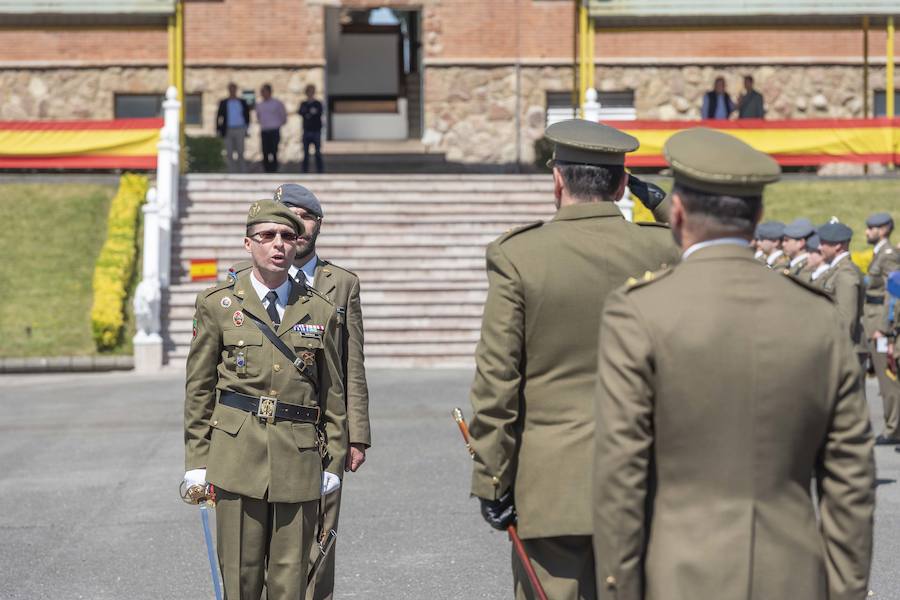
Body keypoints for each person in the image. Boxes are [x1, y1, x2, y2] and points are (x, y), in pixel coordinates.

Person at [593, 127, 875, 600]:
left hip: (680, 575)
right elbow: (850, 478)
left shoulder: (638, 312)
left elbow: (621, 475)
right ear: (758, 217)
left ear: (677, 212)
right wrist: (845, 591)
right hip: (794, 576)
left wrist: (620, 589)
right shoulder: (818, 317)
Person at [468, 119, 680, 600]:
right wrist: (660, 200)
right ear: (624, 184)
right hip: (649, 480)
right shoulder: (666, 248)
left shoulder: (520, 254)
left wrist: (493, 478)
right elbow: (723, 250)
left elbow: (497, 381)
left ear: (557, 179)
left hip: (552, 484)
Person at [183, 199, 347, 599]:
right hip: (236, 455)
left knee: (290, 579)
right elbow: (199, 388)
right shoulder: (218, 304)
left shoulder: (320, 309)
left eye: (288, 237)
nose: (279, 245)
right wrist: (198, 461)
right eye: (267, 236)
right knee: (239, 575)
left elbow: (334, 393)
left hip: (298, 456)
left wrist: (335, 461)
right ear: (248, 243)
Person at [278, 183, 372, 600]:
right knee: (266, 543)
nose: (298, 225)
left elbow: (353, 363)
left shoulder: (342, 284)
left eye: (307, 217)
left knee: (320, 538)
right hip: (269, 428)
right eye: (289, 215)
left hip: (323, 431)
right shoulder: (246, 284)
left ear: (318, 225)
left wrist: (357, 435)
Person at [862, 212, 900, 445]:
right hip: (873, 321)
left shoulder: (888, 256)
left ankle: (893, 428)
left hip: (880, 326)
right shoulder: (881, 254)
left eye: (872, 228)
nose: (867, 232)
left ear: (884, 229)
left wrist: (885, 329)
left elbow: (894, 293)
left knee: (888, 378)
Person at [819, 222, 866, 364]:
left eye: (823, 243)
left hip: (845, 351)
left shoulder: (846, 273)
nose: (819, 247)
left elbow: (847, 319)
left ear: (837, 246)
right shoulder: (837, 269)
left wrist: (836, 350)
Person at [217, 82, 251, 173]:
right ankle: (231, 172)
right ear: (228, 90)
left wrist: (247, 128)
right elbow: (219, 116)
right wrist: (218, 129)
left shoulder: (242, 102)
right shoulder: (224, 102)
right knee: (229, 152)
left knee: (240, 152)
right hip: (228, 129)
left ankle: (243, 172)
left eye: (234, 88)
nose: (232, 90)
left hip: (240, 129)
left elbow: (247, 116)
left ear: (236, 90)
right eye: (230, 89)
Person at [256, 83, 287, 173]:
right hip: (264, 131)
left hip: (274, 130)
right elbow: (258, 116)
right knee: (265, 151)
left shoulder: (277, 103)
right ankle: (267, 170)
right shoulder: (259, 104)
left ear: (269, 92)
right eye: (262, 92)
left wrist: (277, 124)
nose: (263, 93)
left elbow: (283, 116)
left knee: (274, 151)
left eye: (264, 91)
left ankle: (274, 170)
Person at [299, 84, 325, 173]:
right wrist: (310, 112)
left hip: (316, 131)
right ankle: (304, 171)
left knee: (317, 152)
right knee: (305, 153)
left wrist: (308, 113)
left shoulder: (318, 103)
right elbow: (301, 112)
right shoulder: (303, 103)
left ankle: (320, 171)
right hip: (306, 130)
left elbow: (318, 113)